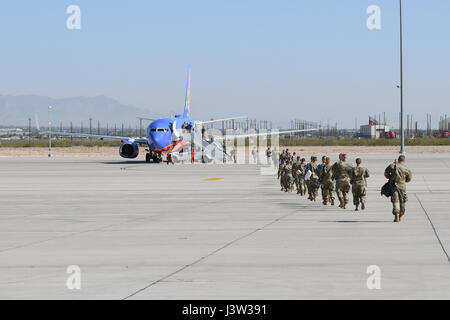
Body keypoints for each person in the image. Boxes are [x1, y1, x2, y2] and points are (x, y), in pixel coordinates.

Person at [384, 155, 412, 222]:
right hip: (402, 186)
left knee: (395, 200)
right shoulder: (406, 168)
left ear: (398, 159)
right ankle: (401, 215)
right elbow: (409, 178)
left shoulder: (392, 166)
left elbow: (386, 173)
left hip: (393, 185)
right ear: (404, 160)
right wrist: (404, 181)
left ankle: (396, 213)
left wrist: (390, 177)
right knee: (402, 200)